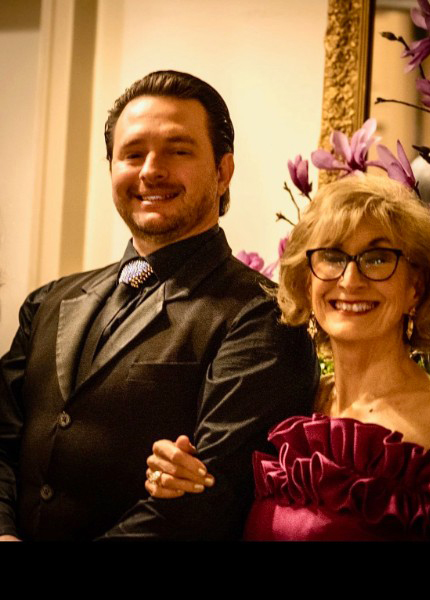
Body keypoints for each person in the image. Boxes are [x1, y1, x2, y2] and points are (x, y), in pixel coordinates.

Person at [0, 70, 319, 541]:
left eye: (178, 150)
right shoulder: (48, 301)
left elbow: (211, 499)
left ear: (223, 171)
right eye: (133, 154)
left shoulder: (264, 315)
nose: (151, 170)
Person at [145, 174, 430, 541]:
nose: (350, 280)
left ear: (417, 286)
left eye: (377, 258)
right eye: (332, 257)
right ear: (306, 282)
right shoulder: (292, 401)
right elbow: (221, 502)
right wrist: (178, 476)